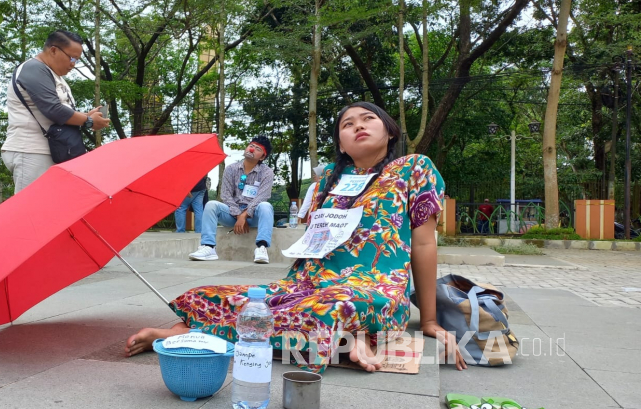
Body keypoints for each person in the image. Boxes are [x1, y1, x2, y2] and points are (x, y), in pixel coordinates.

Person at [126, 102, 466, 372]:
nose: (358, 126)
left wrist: (431, 320)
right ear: (342, 145)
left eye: (367, 119)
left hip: (371, 286)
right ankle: (346, 341)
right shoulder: (329, 180)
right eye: (348, 124)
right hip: (306, 283)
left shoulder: (413, 168)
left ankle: (198, 336)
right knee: (208, 296)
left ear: (390, 132)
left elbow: (423, 243)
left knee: (330, 307)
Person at [2, 29, 111, 193]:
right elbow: (53, 109)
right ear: (53, 50)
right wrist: (88, 121)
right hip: (31, 151)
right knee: (32, 213)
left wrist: (86, 117)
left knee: (51, 212)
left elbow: (59, 112)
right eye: (72, 58)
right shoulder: (34, 68)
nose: (73, 64)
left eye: (77, 60)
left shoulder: (54, 75)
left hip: (50, 151)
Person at [187, 136, 275, 264]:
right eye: (251, 146)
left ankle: (261, 248)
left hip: (254, 215)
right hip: (233, 214)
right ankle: (208, 247)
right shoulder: (231, 169)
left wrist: (245, 214)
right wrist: (238, 215)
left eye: (257, 149)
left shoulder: (267, 172)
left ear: (262, 157)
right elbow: (226, 195)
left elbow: (262, 196)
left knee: (266, 206)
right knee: (211, 205)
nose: (252, 150)